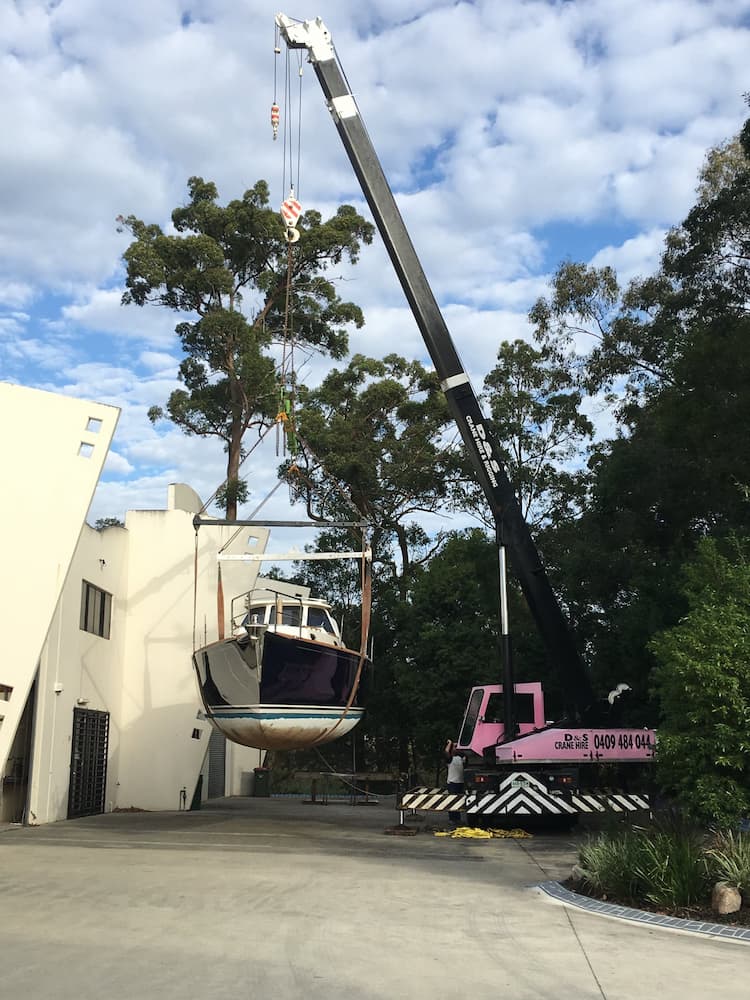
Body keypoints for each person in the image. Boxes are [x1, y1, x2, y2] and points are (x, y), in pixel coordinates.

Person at [445, 740, 465, 827]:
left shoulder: (462, 759)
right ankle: (452, 819)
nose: (456, 748)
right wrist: (450, 744)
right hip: (452, 783)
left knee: (459, 802)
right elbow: (446, 752)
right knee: (452, 801)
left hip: (460, 783)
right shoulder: (450, 759)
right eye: (455, 747)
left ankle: (458, 819)